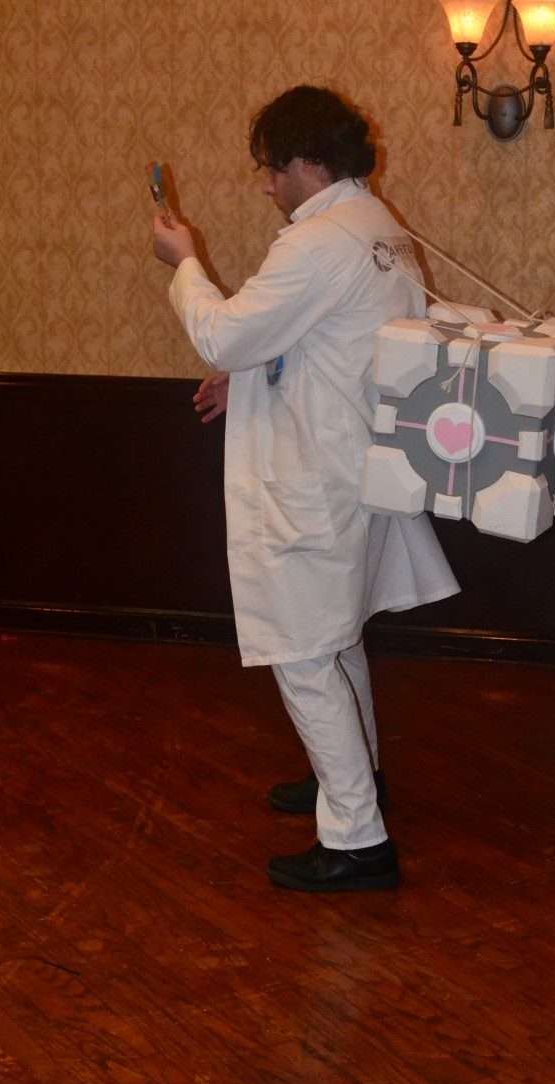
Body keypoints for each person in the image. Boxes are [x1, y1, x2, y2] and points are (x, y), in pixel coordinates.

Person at [152, 85, 459, 893]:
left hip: (313, 480)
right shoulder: (375, 224)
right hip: (355, 465)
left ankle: (358, 840)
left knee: (303, 650)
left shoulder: (318, 242)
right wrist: (248, 377)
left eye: (270, 168)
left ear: (305, 162)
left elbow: (223, 331)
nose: (265, 185)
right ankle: (351, 782)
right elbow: (336, 341)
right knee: (338, 636)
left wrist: (186, 263)